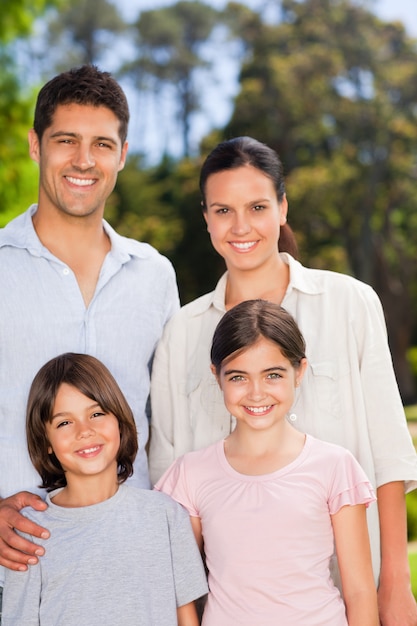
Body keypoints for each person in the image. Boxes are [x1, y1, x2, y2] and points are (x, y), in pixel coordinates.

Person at [149, 136, 417, 624]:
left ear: (283, 207)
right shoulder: (182, 334)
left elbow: (389, 454)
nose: (241, 226)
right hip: (233, 606)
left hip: (352, 595)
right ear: (205, 218)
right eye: (223, 210)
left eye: (257, 206)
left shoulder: (350, 303)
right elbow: (168, 483)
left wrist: (395, 583)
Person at [0, 64, 179, 601]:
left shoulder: (155, 274)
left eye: (102, 143)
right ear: (36, 145)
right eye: (66, 140)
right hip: (18, 567)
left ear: (122, 155)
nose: (84, 160)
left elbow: (170, 419)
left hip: (134, 568)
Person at [155, 300, 378, 625]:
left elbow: (359, 592)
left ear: (299, 372)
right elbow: (179, 588)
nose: (256, 393)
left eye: (272, 375)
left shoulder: (334, 466)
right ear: (216, 376)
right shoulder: (189, 475)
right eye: (238, 378)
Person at [2, 353, 207, 626]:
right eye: (64, 422)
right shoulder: (30, 534)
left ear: (120, 422)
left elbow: (186, 616)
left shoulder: (166, 515)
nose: (84, 431)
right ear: (45, 440)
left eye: (97, 414)